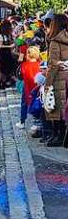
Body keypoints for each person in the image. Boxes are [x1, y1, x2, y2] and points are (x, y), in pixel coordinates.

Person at [43, 13, 68, 147]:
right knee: (64, 108)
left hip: (58, 77)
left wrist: (47, 83)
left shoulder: (54, 42)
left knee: (54, 107)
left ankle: (57, 135)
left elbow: (53, 65)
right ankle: (61, 135)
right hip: (66, 77)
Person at [19, 46, 42, 129]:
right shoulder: (40, 64)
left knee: (24, 103)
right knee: (38, 104)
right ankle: (37, 122)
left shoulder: (24, 65)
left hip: (27, 87)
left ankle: (22, 121)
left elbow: (21, 74)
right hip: (38, 88)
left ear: (28, 55)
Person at [0, 20, 18, 90]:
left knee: (6, 70)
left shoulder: (7, 35)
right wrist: (10, 46)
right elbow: (0, 46)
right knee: (1, 70)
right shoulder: (0, 36)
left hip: (7, 55)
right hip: (2, 55)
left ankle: (4, 83)